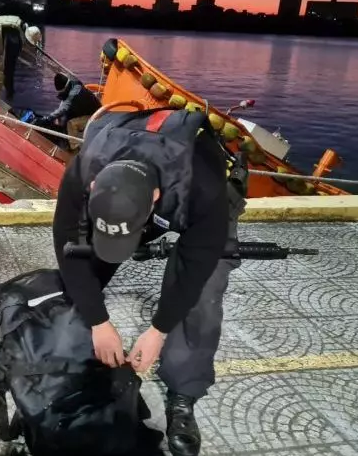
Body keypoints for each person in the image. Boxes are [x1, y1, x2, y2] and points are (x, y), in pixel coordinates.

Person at [51, 105, 248, 456]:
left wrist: (159, 329)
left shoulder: (202, 183)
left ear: (155, 200)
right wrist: (98, 320)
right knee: (81, 275)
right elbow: (69, 247)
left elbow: (195, 265)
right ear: (93, 187)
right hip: (129, 189)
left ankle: (184, 392)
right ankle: (86, 357)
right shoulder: (83, 169)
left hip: (199, 197)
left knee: (205, 288)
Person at [36, 73, 101, 151]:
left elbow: (64, 107)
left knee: (70, 124)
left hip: (96, 116)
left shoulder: (73, 95)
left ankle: (74, 148)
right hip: (91, 109)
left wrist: (48, 118)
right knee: (63, 118)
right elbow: (65, 103)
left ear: (65, 88)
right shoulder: (73, 83)